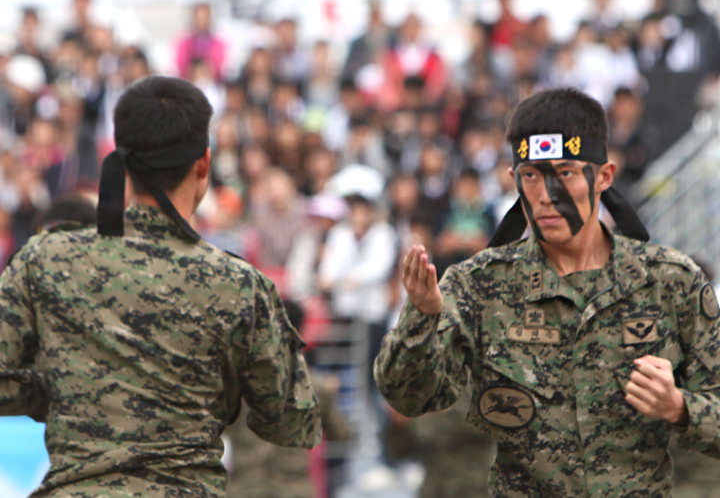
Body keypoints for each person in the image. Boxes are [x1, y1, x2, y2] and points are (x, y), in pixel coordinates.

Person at [374, 87, 720, 497]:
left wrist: (679, 408)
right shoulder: (478, 287)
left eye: (566, 173)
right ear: (514, 180)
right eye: (532, 176)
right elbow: (408, 399)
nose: (545, 195)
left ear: (605, 176)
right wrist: (422, 318)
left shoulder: (671, 282)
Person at [0, 75, 321, 497]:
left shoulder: (45, 259)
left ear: (121, 163)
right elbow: (294, 421)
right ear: (203, 164)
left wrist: (62, 388)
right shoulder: (241, 285)